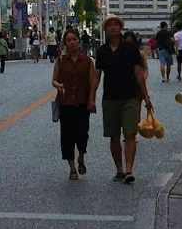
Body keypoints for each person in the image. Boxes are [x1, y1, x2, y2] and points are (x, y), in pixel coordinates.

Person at [90, 15, 154, 185]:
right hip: (109, 98)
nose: (112, 27)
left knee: (130, 134)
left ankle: (129, 170)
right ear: (105, 29)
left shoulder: (131, 49)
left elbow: (138, 73)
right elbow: (96, 77)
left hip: (130, 97)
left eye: (115, 25)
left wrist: (146, 96)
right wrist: (91, 98)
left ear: (120, 28)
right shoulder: (102, 51)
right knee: (113, 136)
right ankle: (119, 168)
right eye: (109, 25)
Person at [52, 26, 94, 180]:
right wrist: (58, 85)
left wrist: (92, 100)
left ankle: (81, 156)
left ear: (79, 41)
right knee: (67, 136)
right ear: (65, 43)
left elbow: (92, 82)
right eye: (68, 40)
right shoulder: (61, 61)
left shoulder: (88, 61)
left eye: (74, 39)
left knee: (83, 134)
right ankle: (72, 167)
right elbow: (54, 80)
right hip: (66, 103)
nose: (72, 43)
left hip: (82, 102)